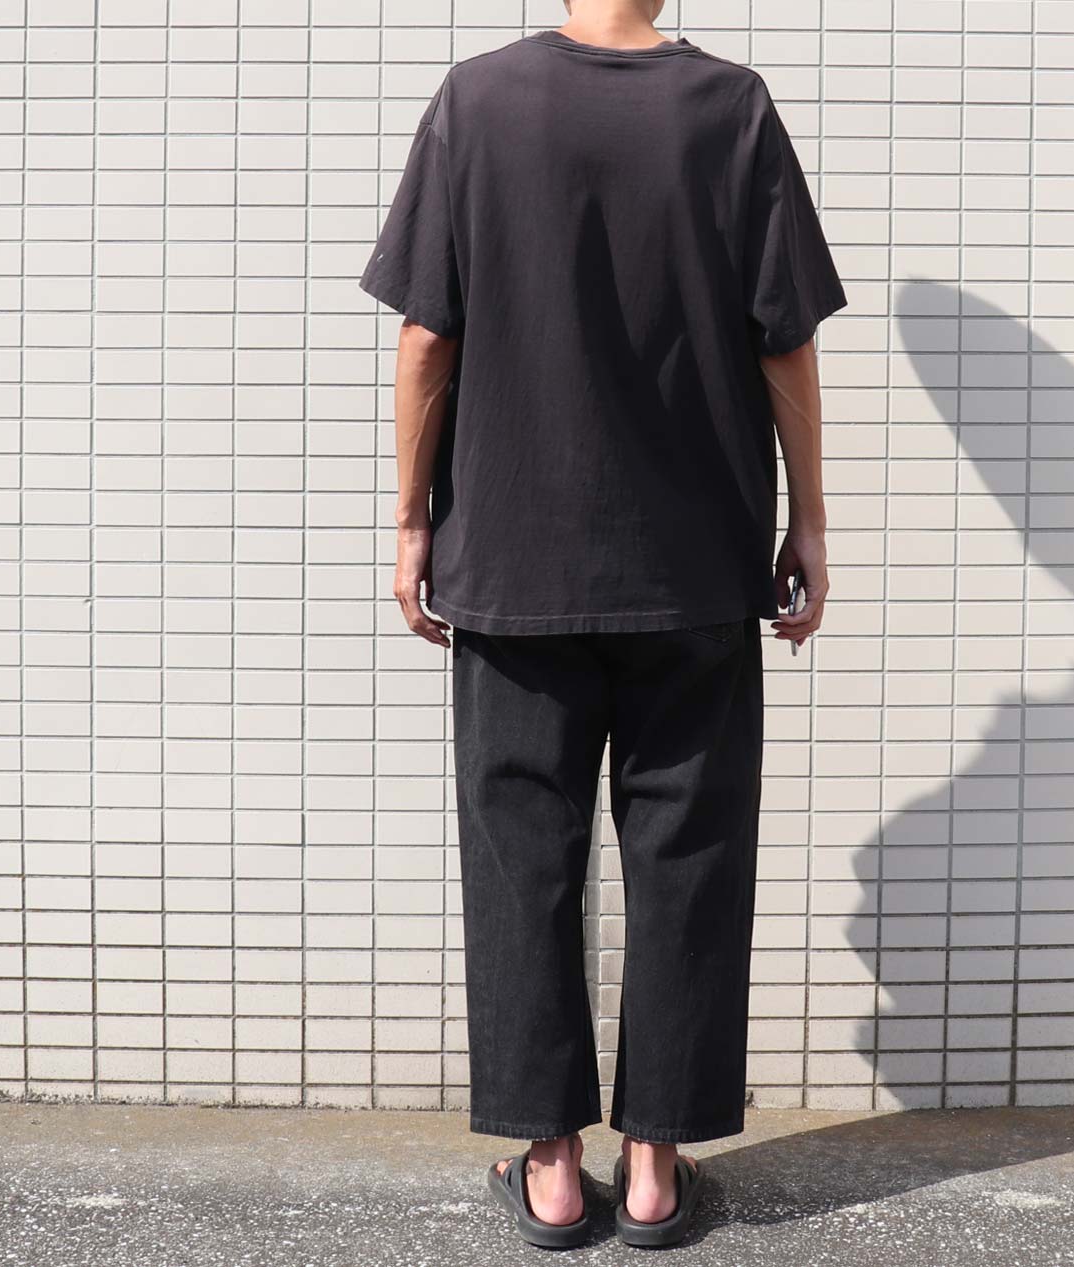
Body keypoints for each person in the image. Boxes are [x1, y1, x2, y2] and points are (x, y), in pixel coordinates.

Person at [359, 0, 845, 1249]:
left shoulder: (478, 102)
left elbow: (426, 336)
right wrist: (807, 519)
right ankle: (656, 1172)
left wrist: (410, 519)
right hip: (693, 568)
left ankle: (550, 1171)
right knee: (688, 859)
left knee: (521, 861)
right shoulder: (729, 108)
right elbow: (784, 343)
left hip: (513, 560)